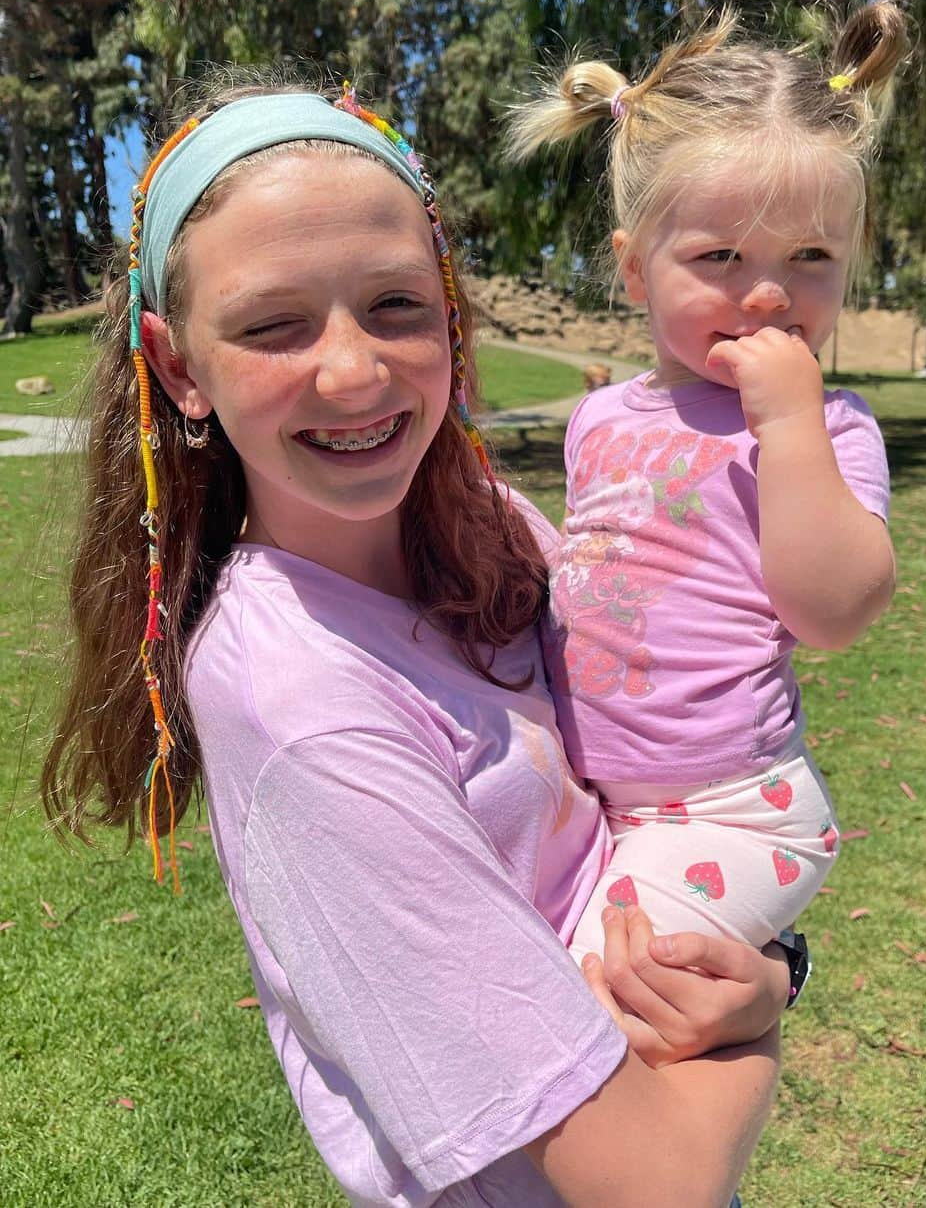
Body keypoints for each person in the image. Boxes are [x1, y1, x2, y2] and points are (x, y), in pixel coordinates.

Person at [42, 79, 792, 1207]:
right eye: (271, 325)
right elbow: (659, 1183)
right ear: (179, 365)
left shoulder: (499, 531)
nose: (352, 370)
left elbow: (686, 771)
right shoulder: (302, 706)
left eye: (393, 304)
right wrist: (759, 1029)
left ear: (448, 309)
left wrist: (761, 969)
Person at [506, 2, 905, 965]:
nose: (768, 294)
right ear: (636, 268)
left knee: (593, 990)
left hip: (736, 813)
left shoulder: (832, 428)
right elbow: (603, 573)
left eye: (811, 257)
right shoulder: (601, 419)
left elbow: (836, 610)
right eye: (721, 257)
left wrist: (789, 427)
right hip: (602, 806)